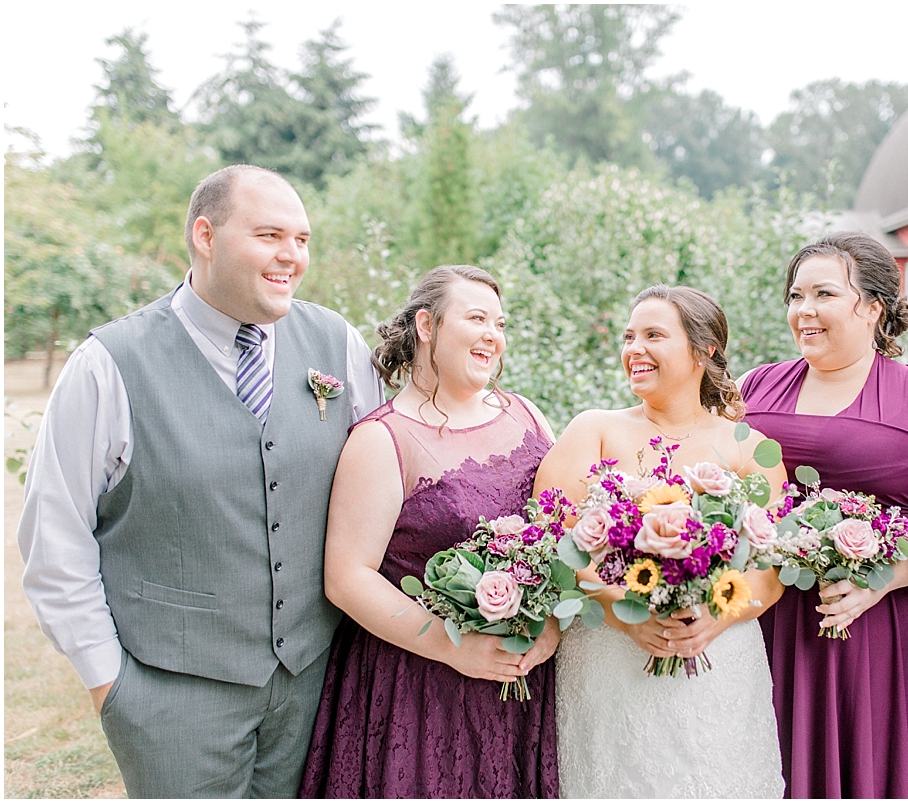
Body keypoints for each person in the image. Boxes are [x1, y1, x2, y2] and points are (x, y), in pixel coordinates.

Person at [16, 164, 385, 797]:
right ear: (205, 235)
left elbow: (380, 488)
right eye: (270, 235)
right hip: (170, 701)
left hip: (314, 688)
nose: (291, 257)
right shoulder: (109, 365)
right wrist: (112, 688)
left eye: (302, 239)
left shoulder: (338, 343)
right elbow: (55, 540)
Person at [738, 231, 908, 798]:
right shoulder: (753, 386)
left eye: (823, 294)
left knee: (878, 766)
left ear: (873, 307)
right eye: (795, 295)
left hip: (890, 625)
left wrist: (883, 577)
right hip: (771, 616)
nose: (803, 310)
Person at [299, 265, 560, 798]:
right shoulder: (382, 437)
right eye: (476, 318)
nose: (494, 333)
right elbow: (347, 578)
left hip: (524, 680)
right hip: (421, 689)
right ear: (426, 324)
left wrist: (552, 629)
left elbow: (561, 539)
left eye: (501, 323)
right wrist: (452, 648)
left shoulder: (526, 415)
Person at [533, 284, 787, 798]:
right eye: (629, 336)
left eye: (653, 335)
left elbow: (771, 567)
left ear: (703, 349)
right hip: (609, 659)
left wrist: (714, 619)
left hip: (719, 661)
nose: (634, 349)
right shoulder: (594, 431)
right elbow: (547, 544)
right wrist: (619, 610)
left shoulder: (749, 448)